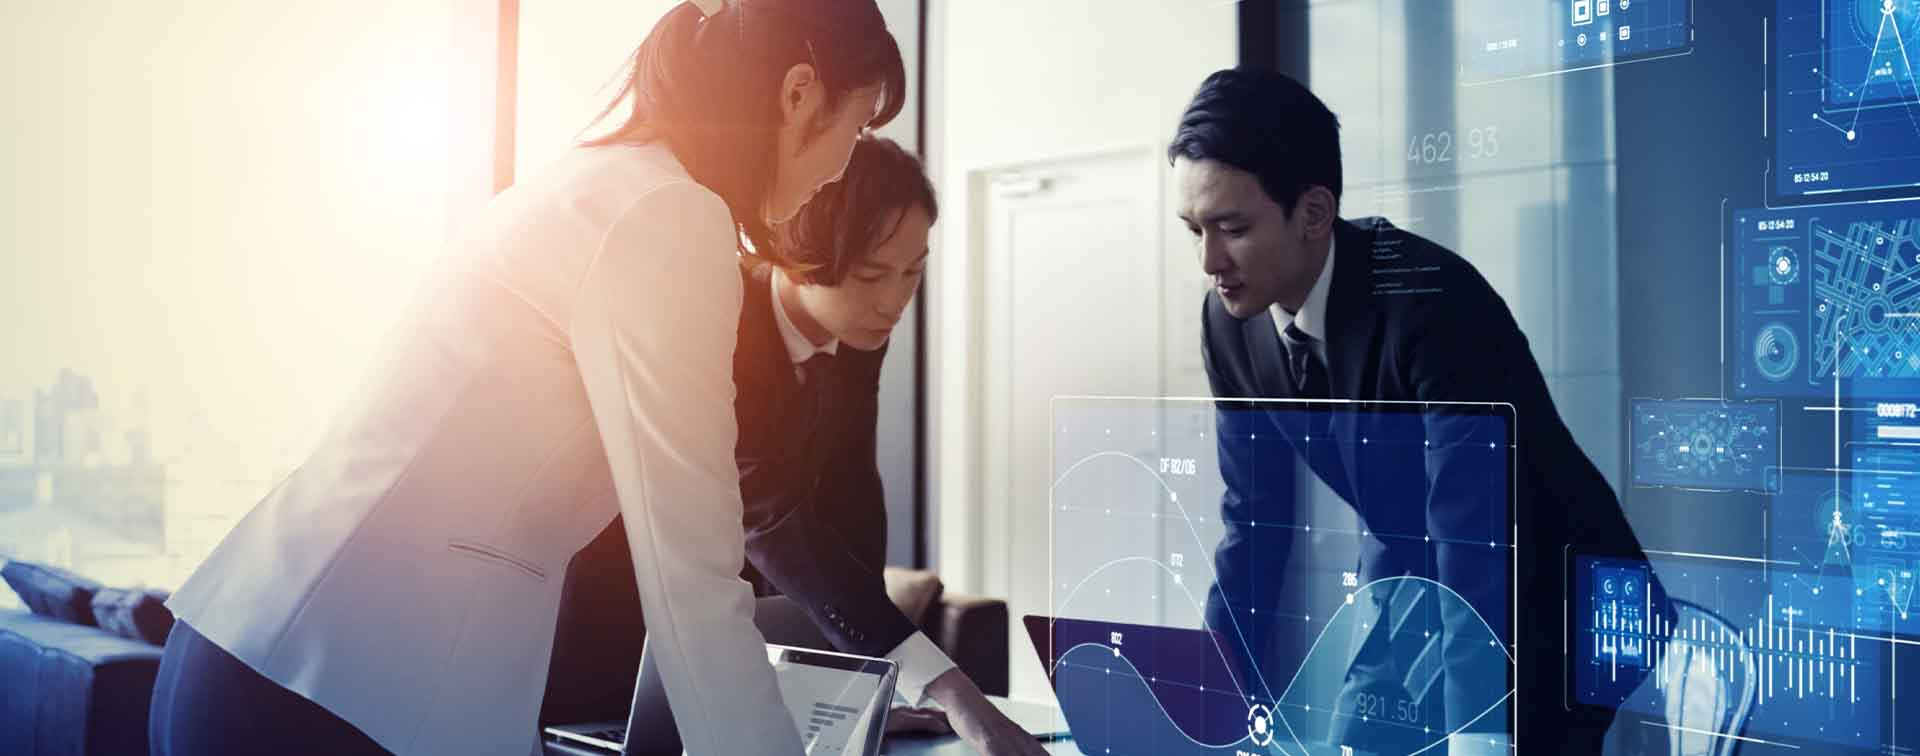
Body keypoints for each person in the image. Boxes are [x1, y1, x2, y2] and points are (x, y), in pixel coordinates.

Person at [148, 2, 905, 754]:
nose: (846, 165)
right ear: (798, 93)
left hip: (263, 657)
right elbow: (692, 583)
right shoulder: (668, 216)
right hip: (329, 696)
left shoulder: (600, 181)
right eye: (861, 122)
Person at [1169, 68, 1654, 755]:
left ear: (1313, 212)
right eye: (1193, 229)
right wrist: (1210, 705)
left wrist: (1477, 735)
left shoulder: (1432, 302)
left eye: (1231, 228)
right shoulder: (1230, 323)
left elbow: (1477, 534)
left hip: (1560, 594)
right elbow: (1254, 521)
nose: (1208, 261)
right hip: (1415, 580)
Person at [544, 136, 1048, 756]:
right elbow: (770, 515)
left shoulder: (858, 328)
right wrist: (953, 692)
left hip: (720, 640)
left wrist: (871, 688)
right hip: (613, 619)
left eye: (912, 272)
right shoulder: (720, 313)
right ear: (799, 257)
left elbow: (852, 494)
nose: (894, 301)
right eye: (870, 275)